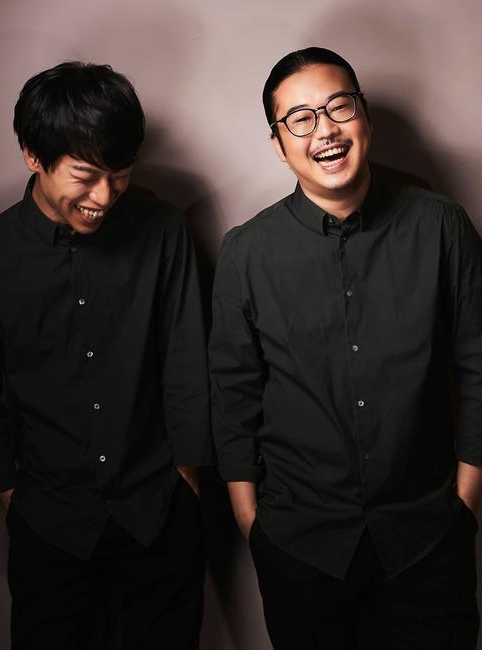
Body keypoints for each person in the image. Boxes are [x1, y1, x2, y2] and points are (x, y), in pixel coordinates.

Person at [209, 46, 482, 649]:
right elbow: (233, 395)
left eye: (339, 107)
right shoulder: (246, 252)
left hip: (427, 538)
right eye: (300, 118)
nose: (325, 130)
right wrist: (251, 521)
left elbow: (478, 366)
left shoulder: (443, 227)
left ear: (365, 117)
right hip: (300, 546)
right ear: (278, 144)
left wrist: (465, 504)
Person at [0, 61, 211, 650]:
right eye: (85, 174)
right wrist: (12, 500)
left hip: (159, 506)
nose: (104, 196)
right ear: (33, 154)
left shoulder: (164, 230)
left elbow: (185, 359)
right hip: (48, 520)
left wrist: (187, 481)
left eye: (120, 175)